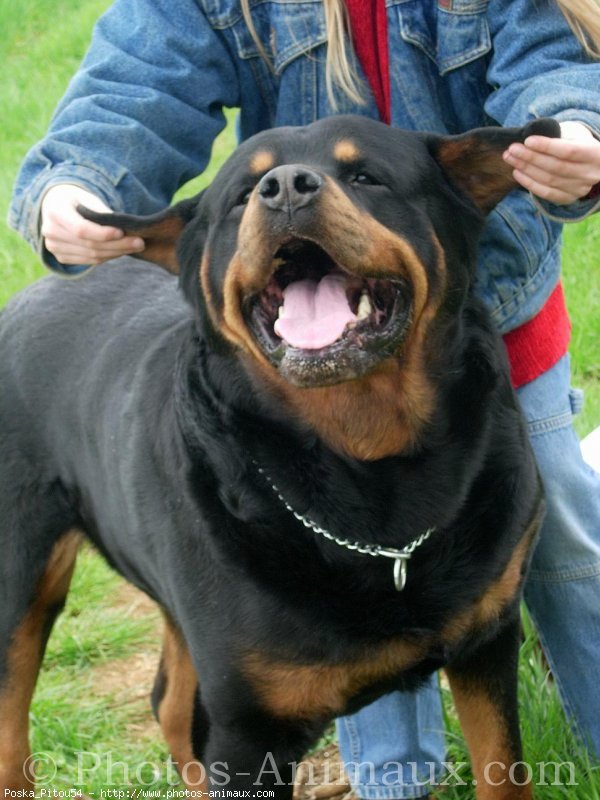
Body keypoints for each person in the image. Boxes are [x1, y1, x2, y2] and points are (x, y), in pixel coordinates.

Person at [8, 0, 600, 796]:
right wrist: (73, 184)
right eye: (260, 190)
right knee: (319, 622)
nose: (290, 188)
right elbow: (135, 83)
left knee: (559, 537)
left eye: (355, 174)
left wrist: (576, 129)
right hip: (285, 378)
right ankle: (396, 784)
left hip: (484, 325)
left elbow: (557, 63)